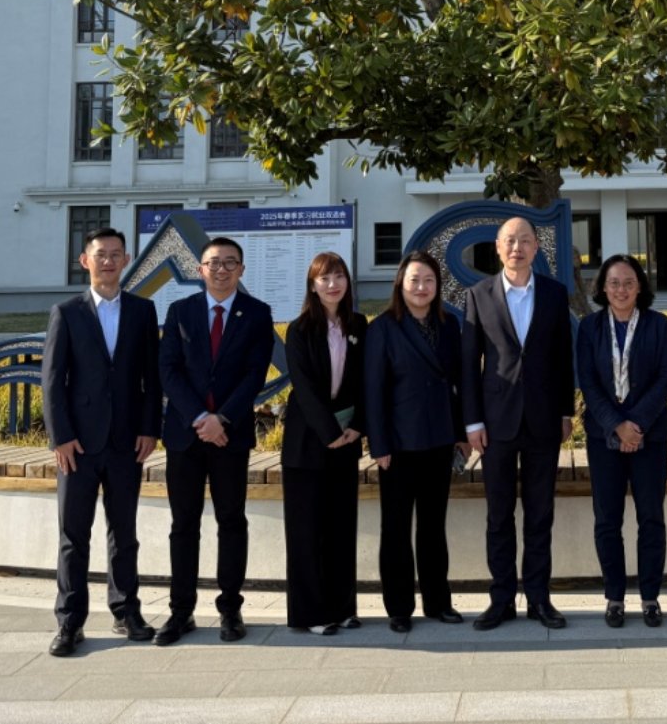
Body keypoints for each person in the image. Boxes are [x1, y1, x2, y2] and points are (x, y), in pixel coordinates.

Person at [42, 226, 162, 656]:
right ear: (85, 261)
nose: (108, 261)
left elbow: (152, 377)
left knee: (124, 532)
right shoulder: (66, 312)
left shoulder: (143, 311)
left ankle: (126, 611)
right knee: (73, 536)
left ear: (126, 260)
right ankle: (69, 621)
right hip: (77, 446)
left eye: (116, 254)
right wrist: (61, 437)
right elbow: (52, 381)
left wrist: (150, 429)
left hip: (127, 442)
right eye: (101, 255)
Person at [155, 235, 276, 646]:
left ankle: (230, 609)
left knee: (232, 521)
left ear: (241, 269)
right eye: (213, 263)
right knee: (183, 525)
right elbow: (168, 370)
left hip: (230, 436)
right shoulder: (180, 311)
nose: (221, 269)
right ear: (200, 270)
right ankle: (180, 611)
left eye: (230, 263)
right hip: (185, 437)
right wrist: (199, 417)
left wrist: (221, 419)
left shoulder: (257, 314)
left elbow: (255, 374)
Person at [462, 215, 577, 630]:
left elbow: (563, 357)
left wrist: (565, 411)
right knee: (499, 515)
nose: (517, 248)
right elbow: (469, 362)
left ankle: (539, 599)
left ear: (536, 248)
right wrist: (472, 422)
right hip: (496, 423)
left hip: (544, 421)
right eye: (510, 241)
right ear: (497, 247)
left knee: (540, 513)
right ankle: (502, 599)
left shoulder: (554, 293)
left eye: (525, 240)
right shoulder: (478, 295)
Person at [365, 250, 470, 633]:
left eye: (429, 280)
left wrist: (461, 434)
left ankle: (438, 602)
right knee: (395, 528)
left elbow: (459, 382)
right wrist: (379, 445)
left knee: (432, 526)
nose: (421, 287)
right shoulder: (383, 328)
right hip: (398, 445)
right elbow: (373, 391)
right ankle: (399, 607)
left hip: (439, 439)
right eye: (414, 280)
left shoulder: (449, 325)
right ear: (401, 283)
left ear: (437, 285)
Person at [575, 254, 667, 628]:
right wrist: (617, 425)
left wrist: (636, 424)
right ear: (603, 287)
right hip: (604, 436)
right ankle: (614, 597)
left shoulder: (659, 325)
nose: (621, 289)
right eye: (614, 283)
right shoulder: (589, 327)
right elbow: (588, 382)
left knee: (651, 518)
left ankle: (650, 597)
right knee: (607, 520)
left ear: (640, 287)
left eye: (629, 282)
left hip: (651, 436)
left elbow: (665, 379)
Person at [281, 251, 367, 635]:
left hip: (347, 441)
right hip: (308, 444)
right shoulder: (299, 330)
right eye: (324, 278)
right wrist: (330, 432)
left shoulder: (359, 325)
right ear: (312, 286)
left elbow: (367, 380)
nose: (333, 284)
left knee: (341, 527)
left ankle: (342, 607)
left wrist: (358, 427)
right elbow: (304, 387)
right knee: (306, 532)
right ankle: (311, 615)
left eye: (339, 276)